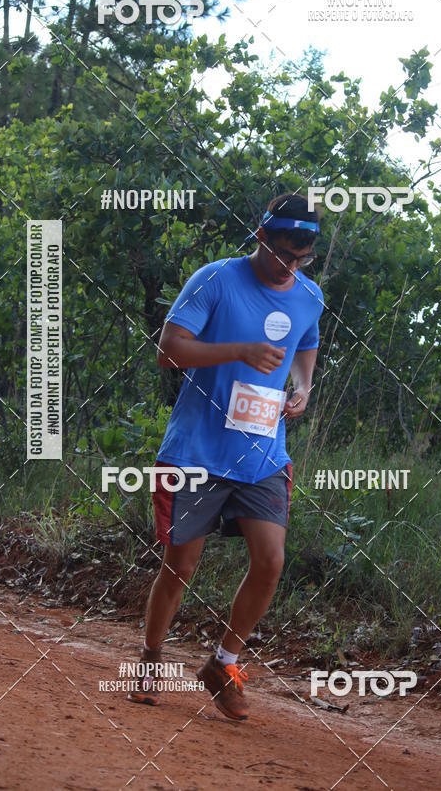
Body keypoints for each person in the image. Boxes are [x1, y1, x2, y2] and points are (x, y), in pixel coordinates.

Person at [128, 192, 324, 720]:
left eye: (301, 258)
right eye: (283, 253)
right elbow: (169, 349)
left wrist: (301, 389)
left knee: (271, 561)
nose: (291, 267)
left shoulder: (308, 295)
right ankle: (149, 659)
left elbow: (306, 347)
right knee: (181, 564)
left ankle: (223, 663)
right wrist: (236, 351)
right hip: (198, 451)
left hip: (262, 455)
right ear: (261, 236)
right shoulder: (216, 279)